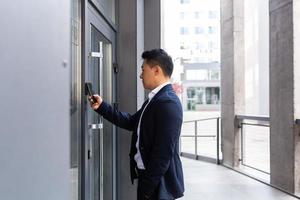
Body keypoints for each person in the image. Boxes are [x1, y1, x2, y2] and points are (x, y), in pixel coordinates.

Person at [89, 49, 184, 200]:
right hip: (150, 181)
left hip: (158, 186)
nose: (140, 75)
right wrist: (101, 107)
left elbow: (163, 154)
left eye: (143, 70)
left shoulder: (168, 103)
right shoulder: (155, 100)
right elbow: (131, 122)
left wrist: (147, 189)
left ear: (157, 70)